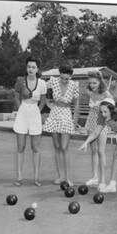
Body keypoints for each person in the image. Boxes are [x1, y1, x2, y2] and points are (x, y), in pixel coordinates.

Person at [12, 57, 48, 186]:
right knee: (20, 147)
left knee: (35, 147)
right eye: (28, 67)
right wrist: (20, 107)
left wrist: (37, 111)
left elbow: (43, 101)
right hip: (23, 113)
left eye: (33, 67)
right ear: (26, 68)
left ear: (37, 69)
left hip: (35, 113)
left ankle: (36, 178)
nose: (30, 69)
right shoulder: (20, 81)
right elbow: (16, 97)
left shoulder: (43, 84)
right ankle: (19, 177)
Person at [43, 63, 79, 186]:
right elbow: (46, 98)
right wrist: (50, 105)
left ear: (70, 76)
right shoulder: (52, 82)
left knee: (64, 147)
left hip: (66, 115)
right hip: (54, 114)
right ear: (60, 75)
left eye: (67, 79)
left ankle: (68, 178)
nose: (64, 80)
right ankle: (60, 177)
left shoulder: (74, 85)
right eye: (62, 78)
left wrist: (75, 121)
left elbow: (77, 105)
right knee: (57, 147)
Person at [81, 72, 113, 191]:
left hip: (102, 122)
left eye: (94, 82)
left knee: (101, 151)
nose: (92, 85)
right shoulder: (90, 92)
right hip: (90, 121)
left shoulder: (106, 94)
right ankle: (95, 177)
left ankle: (103, 180)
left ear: (100, 81)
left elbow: (112, 109)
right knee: (93, 151)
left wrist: (104, 115)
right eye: (90, 83)